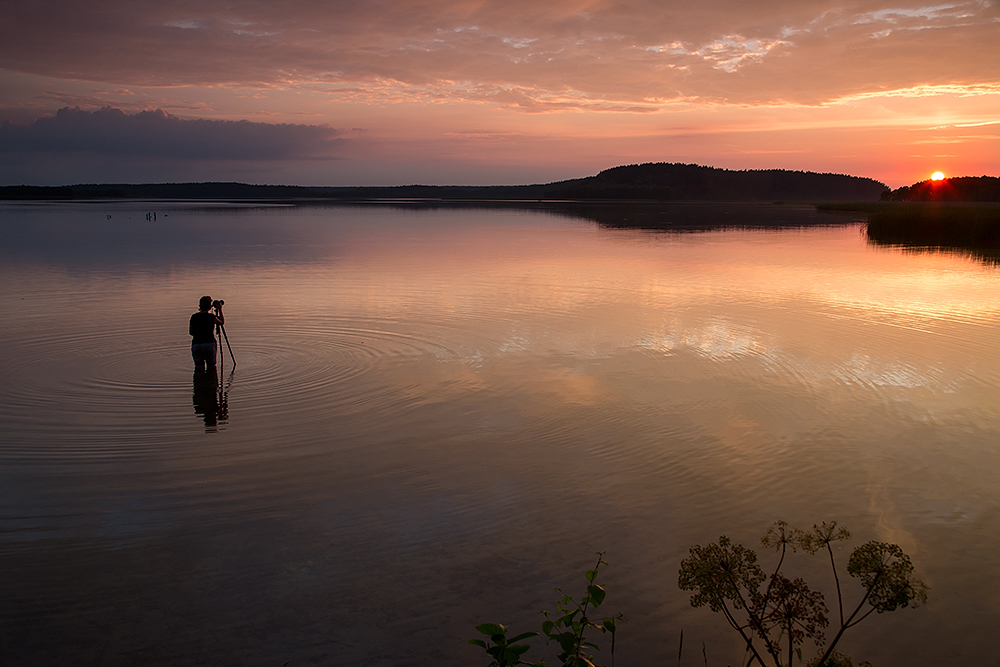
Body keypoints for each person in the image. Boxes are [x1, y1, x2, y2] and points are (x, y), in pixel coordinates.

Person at [189, 295, 224, 370]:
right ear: (210, 306)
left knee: (198, 367)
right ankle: (210, 381)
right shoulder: (211, 317)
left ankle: (199, 380)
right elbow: (221, 322)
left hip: (196, 344)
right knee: (211, 367)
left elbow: (191, 332)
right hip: (209, 344)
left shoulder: (194, 317)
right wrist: (220, 310)